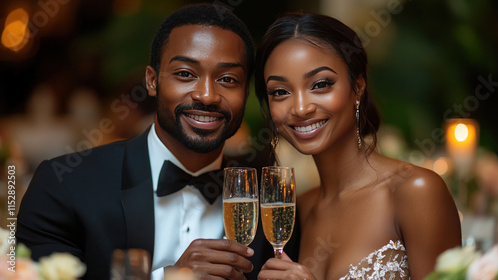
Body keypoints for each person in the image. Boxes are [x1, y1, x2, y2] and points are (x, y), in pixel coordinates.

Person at [17, 4, 288, 280]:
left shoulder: (269, 202)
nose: (207, 95)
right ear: (152, 81)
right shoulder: (65, 185)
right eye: (185, 74)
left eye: (228, 79)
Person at [254, 13, 462, 279]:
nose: (301, 108)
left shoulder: (416, 191)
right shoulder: (298, 209)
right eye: (280, 92)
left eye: (320, 85)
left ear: (358, 86)